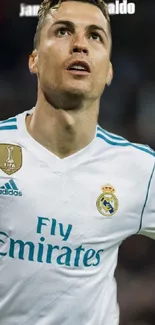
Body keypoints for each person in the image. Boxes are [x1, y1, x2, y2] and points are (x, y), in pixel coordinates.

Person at [0, 0, 155, 324]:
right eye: (63, 31)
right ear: (34, 60)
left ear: (109, 70)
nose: (80, 45)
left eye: (96, 36)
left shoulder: (141, 169)